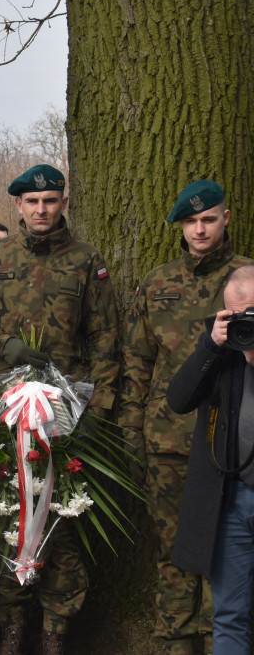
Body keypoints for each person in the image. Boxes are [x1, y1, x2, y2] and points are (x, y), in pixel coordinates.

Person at [0, 164, 119, 655]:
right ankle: (13, 624)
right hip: (8, 410)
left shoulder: (84, 259)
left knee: (63, 520)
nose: (41, 209)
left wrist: (97, 404)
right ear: (17, 206)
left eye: (50, 201)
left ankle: (56, 629)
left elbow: (103, 337)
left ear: (63, 203)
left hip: (65, 414)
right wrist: (5, 344)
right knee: (6, 516)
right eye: (32, 202)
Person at [120, 180, 246, 655]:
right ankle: (175, 643)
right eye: (190, 221)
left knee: (226, 555)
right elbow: (137, 363)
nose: (199, 229)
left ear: (225, 217)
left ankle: (223, 643)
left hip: (233, 445)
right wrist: (132, 434)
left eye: (208, 219)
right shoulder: (157, 282)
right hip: (167, 444)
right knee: (172, 553)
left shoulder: (247, 277)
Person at [168, 264, 254, 654]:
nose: (244, 324)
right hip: (231, 500)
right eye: (236, 316)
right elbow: (179, 400)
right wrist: (211, 345)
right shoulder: (221, 350)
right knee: (229, 614)